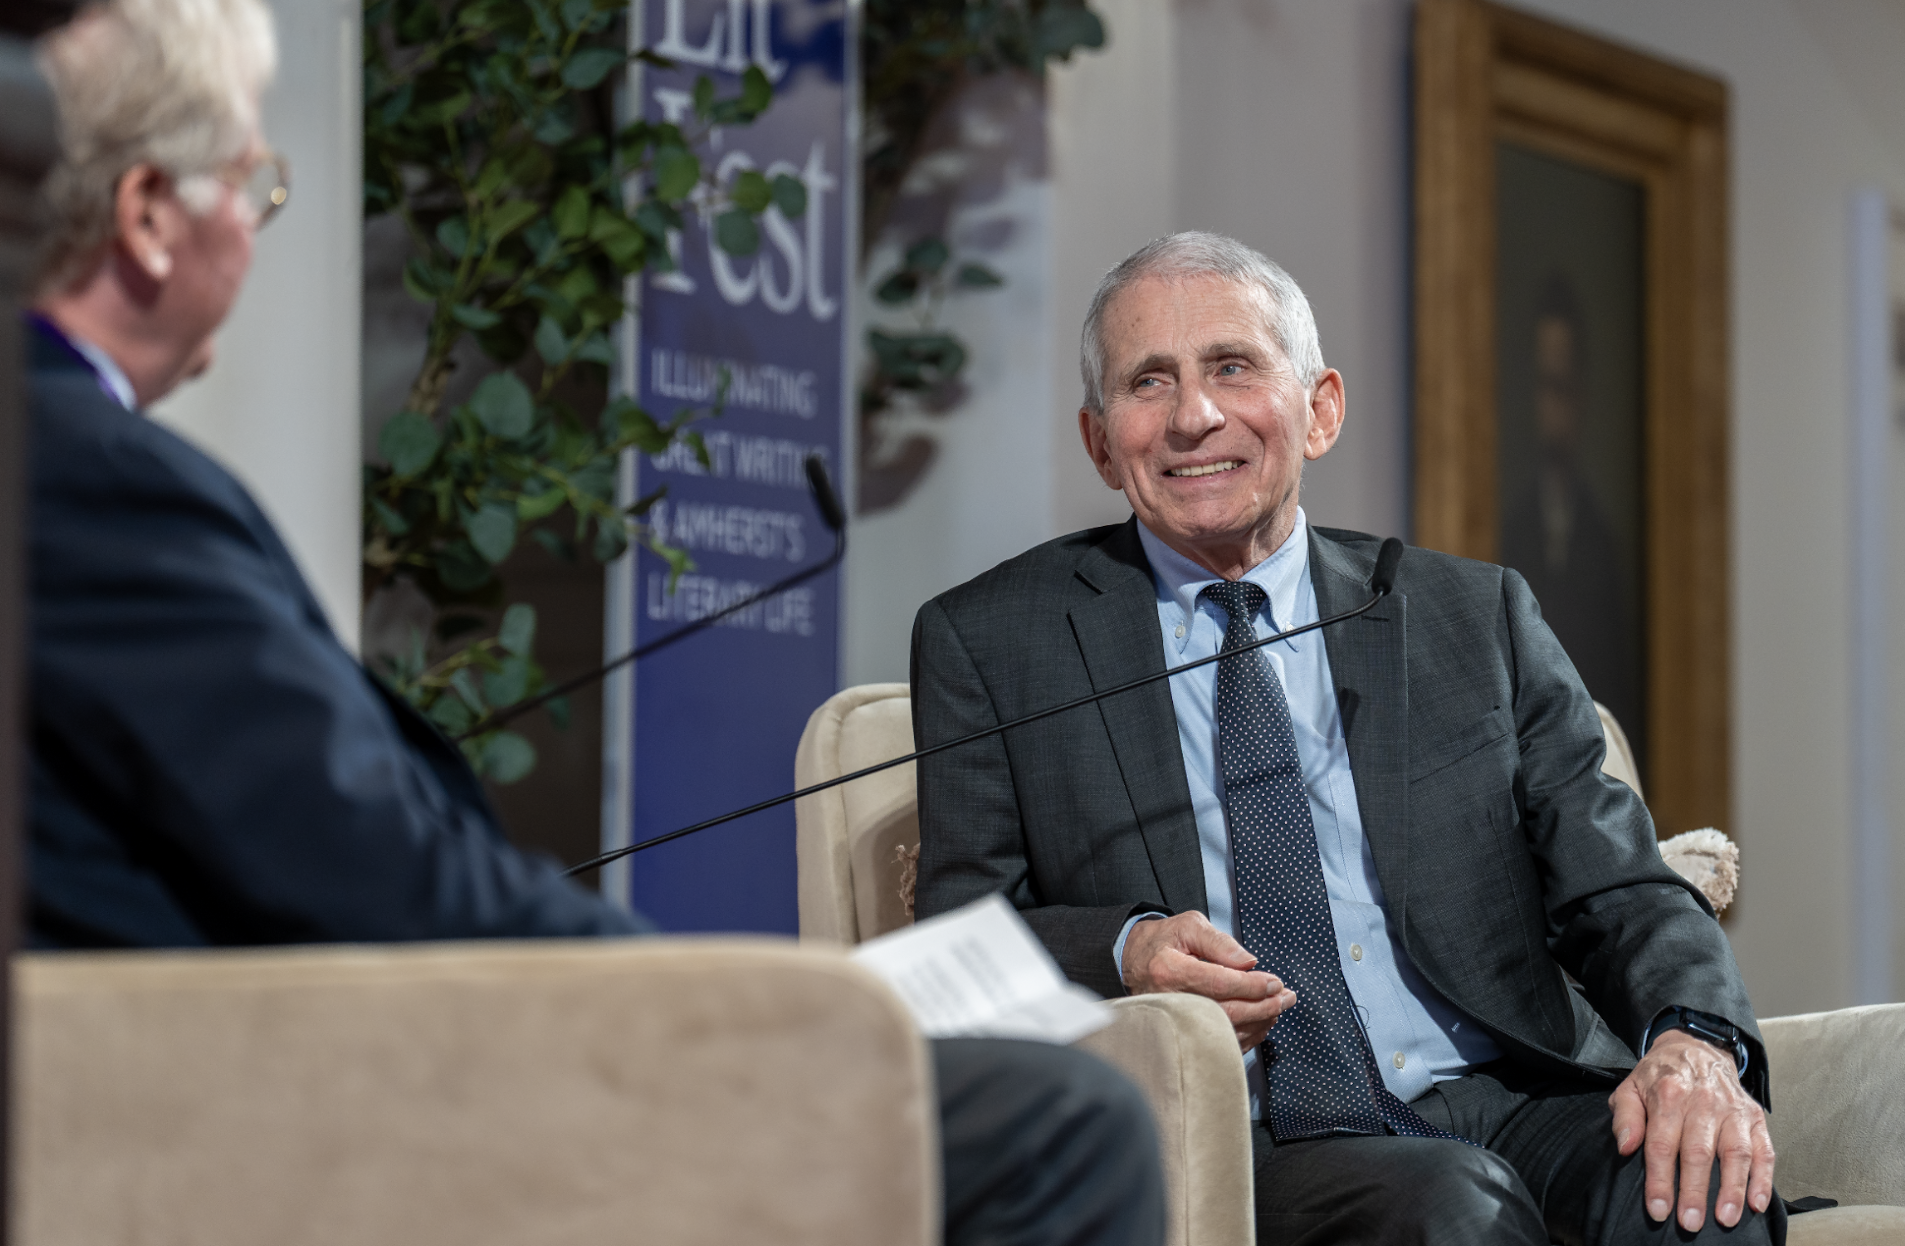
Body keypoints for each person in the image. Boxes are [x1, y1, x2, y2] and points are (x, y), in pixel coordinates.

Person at [23, 4, 1164, 1243]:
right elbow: (371, 868)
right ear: (147, 217)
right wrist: (699, 995)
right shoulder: (84, 474)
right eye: (256, 183)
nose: (257, 221)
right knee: (1061, 1121)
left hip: (267, 1045)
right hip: (313, 1088)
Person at [912, 232, 1781, 1246]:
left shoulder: (1470, 615)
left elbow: (1618, 886)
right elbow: (958, 937)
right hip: (1255, 1138)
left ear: (1318, 408)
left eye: (1231, 367)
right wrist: (1125, 946)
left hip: (1513, 1094)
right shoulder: (995, 641)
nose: (1194, 416)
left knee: (1694, 1194)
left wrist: (1693, 1039)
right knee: (1451, 1210)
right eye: (1148, 382)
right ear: (1100, 440)